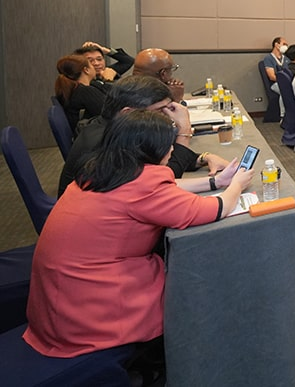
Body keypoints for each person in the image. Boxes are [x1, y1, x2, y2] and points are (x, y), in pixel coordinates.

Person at [24, 110, 254, 360]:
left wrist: (215, 182)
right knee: (199, 281)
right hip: (94, 311)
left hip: (61, 301)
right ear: (151, 149)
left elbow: (167, 186)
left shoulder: (101, 168)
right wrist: (236, 185)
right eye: (169, 145)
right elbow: (217, 208)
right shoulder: (143, 185)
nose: (172, 150)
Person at [59, 76, 230, 196]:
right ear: (128, 112)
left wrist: (202, 158)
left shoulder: (117, 128)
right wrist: (184, 131)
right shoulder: (103, 144)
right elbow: (164, 181)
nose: (168, 118)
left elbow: (152, 159)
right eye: (160, 111)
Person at [54, 54, 104, 134]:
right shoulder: (85, 92)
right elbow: (110, 115)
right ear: (86, 70)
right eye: (91, 64)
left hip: (83, 136)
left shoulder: (72, 90)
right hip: (94, 137)